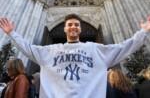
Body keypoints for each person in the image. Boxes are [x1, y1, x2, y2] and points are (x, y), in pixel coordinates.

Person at [0, 14, 150, 98]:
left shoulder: (96, 49)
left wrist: (142, 32)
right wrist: (11, 33)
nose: (73, 27)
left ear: (80, 29)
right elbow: (28, 48)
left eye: (77, 25)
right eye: (70, 24)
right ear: (64, 28)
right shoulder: (50, 51)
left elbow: (123, 47)